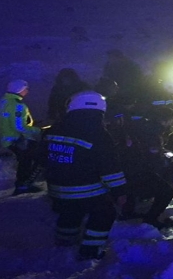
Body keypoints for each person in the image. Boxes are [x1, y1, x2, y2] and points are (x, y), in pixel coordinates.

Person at [42, 91, 127, 260]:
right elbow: (109, 167)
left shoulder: (54, 129)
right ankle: (90, 251)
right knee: (104, 213)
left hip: (56, 189)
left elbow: (41, 157)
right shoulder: (98, 134)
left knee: (70, 212)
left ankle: (64, 242)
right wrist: (120, 191)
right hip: (84, 190)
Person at [119, 106, 173, 229]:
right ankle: (151, 218)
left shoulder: (143, 127)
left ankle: (128, 212)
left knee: (133, 189)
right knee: (167, 191)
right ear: (166, 120)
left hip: (128, 168)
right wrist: (168, 160)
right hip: (139, 170)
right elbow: (153, 156)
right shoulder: (153, 132)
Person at [0, 79, 43, 196]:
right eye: (26, 89)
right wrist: (39, 130)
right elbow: (20, 127)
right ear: (19, 90)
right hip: (18, 140)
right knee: (36, 158)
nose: (27, 91)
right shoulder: (18, 105)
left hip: (7, 139)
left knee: (25, 161)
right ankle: (23, 185)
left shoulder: (2, 102)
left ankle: (22, 184)